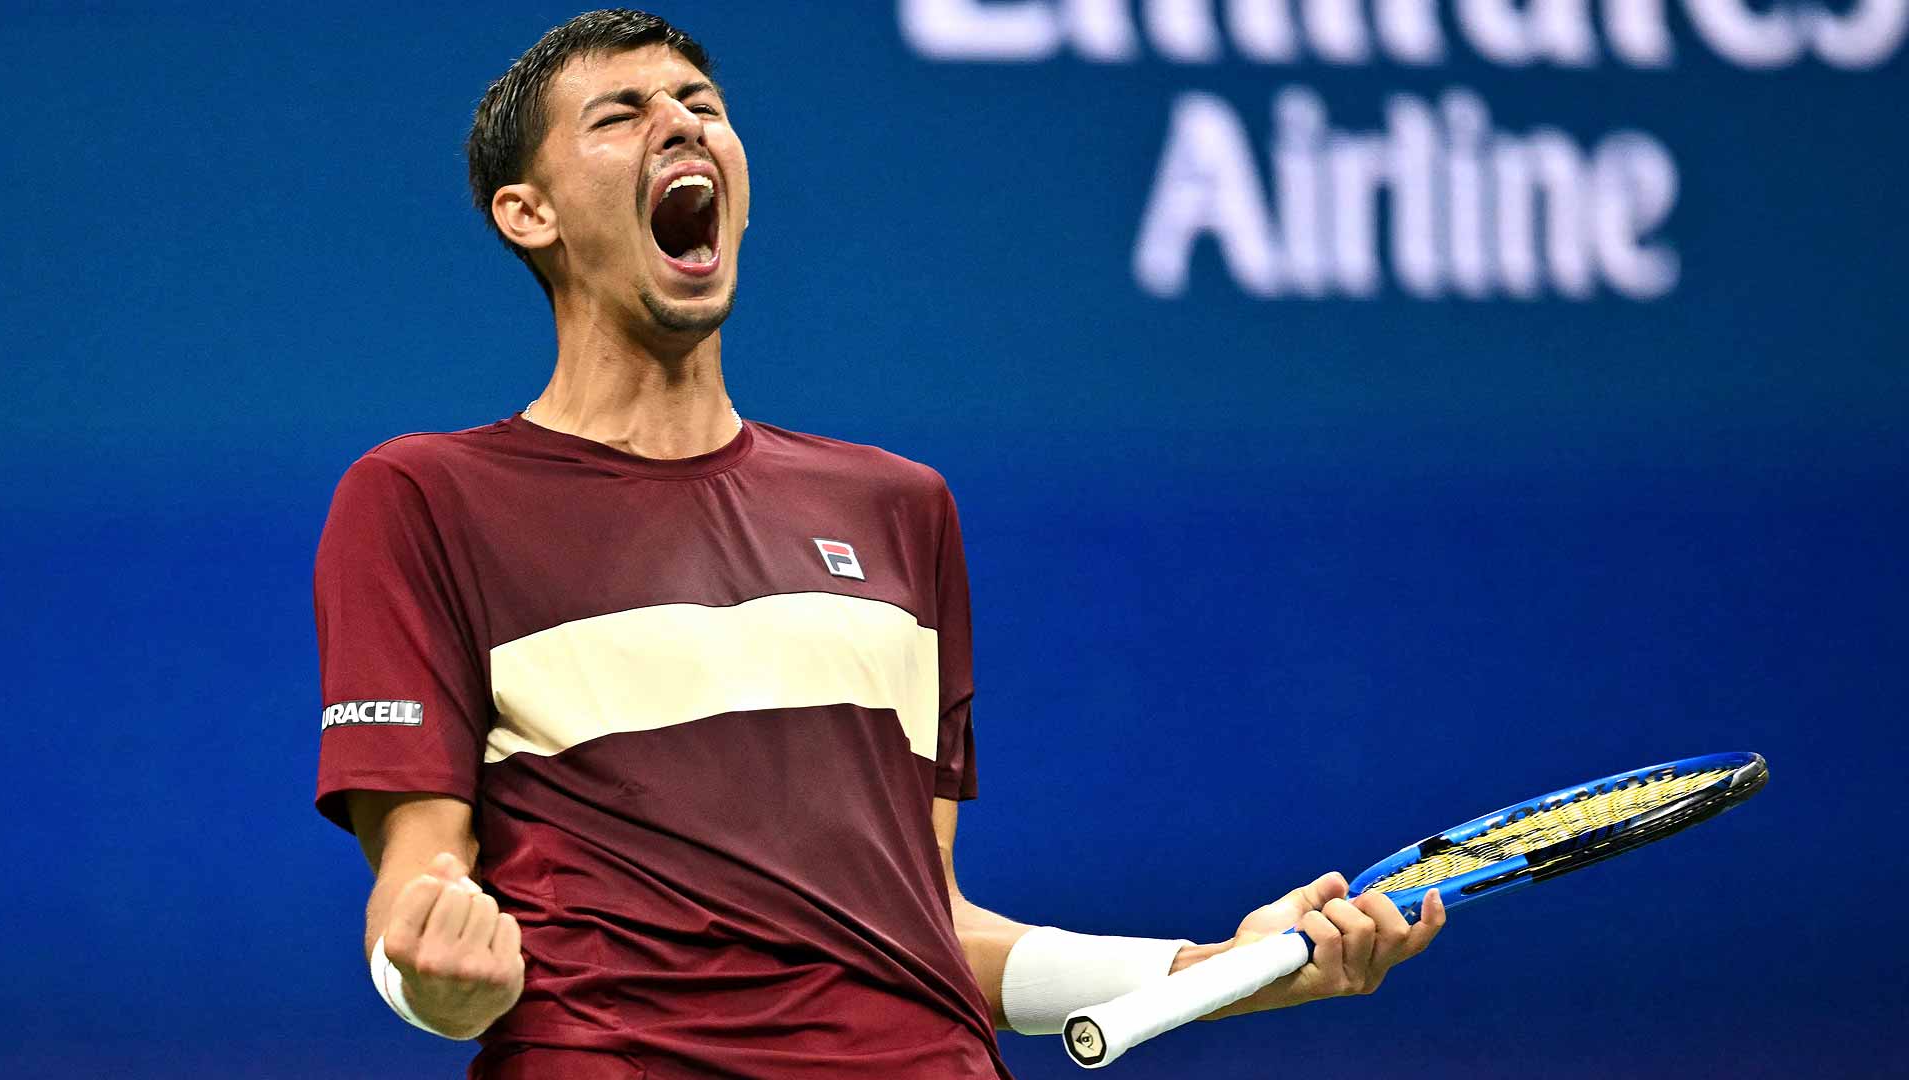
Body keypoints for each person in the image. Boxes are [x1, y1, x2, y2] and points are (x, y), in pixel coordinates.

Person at [313, 10, 1445, 1079]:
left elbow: (927, 922)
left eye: (700, 102)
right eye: (619, 115)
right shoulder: (424, 498)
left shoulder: (897, 507)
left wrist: (1217, 975)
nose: (680, 123)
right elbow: (421, 890)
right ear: (529, 213)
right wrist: (440, 986)